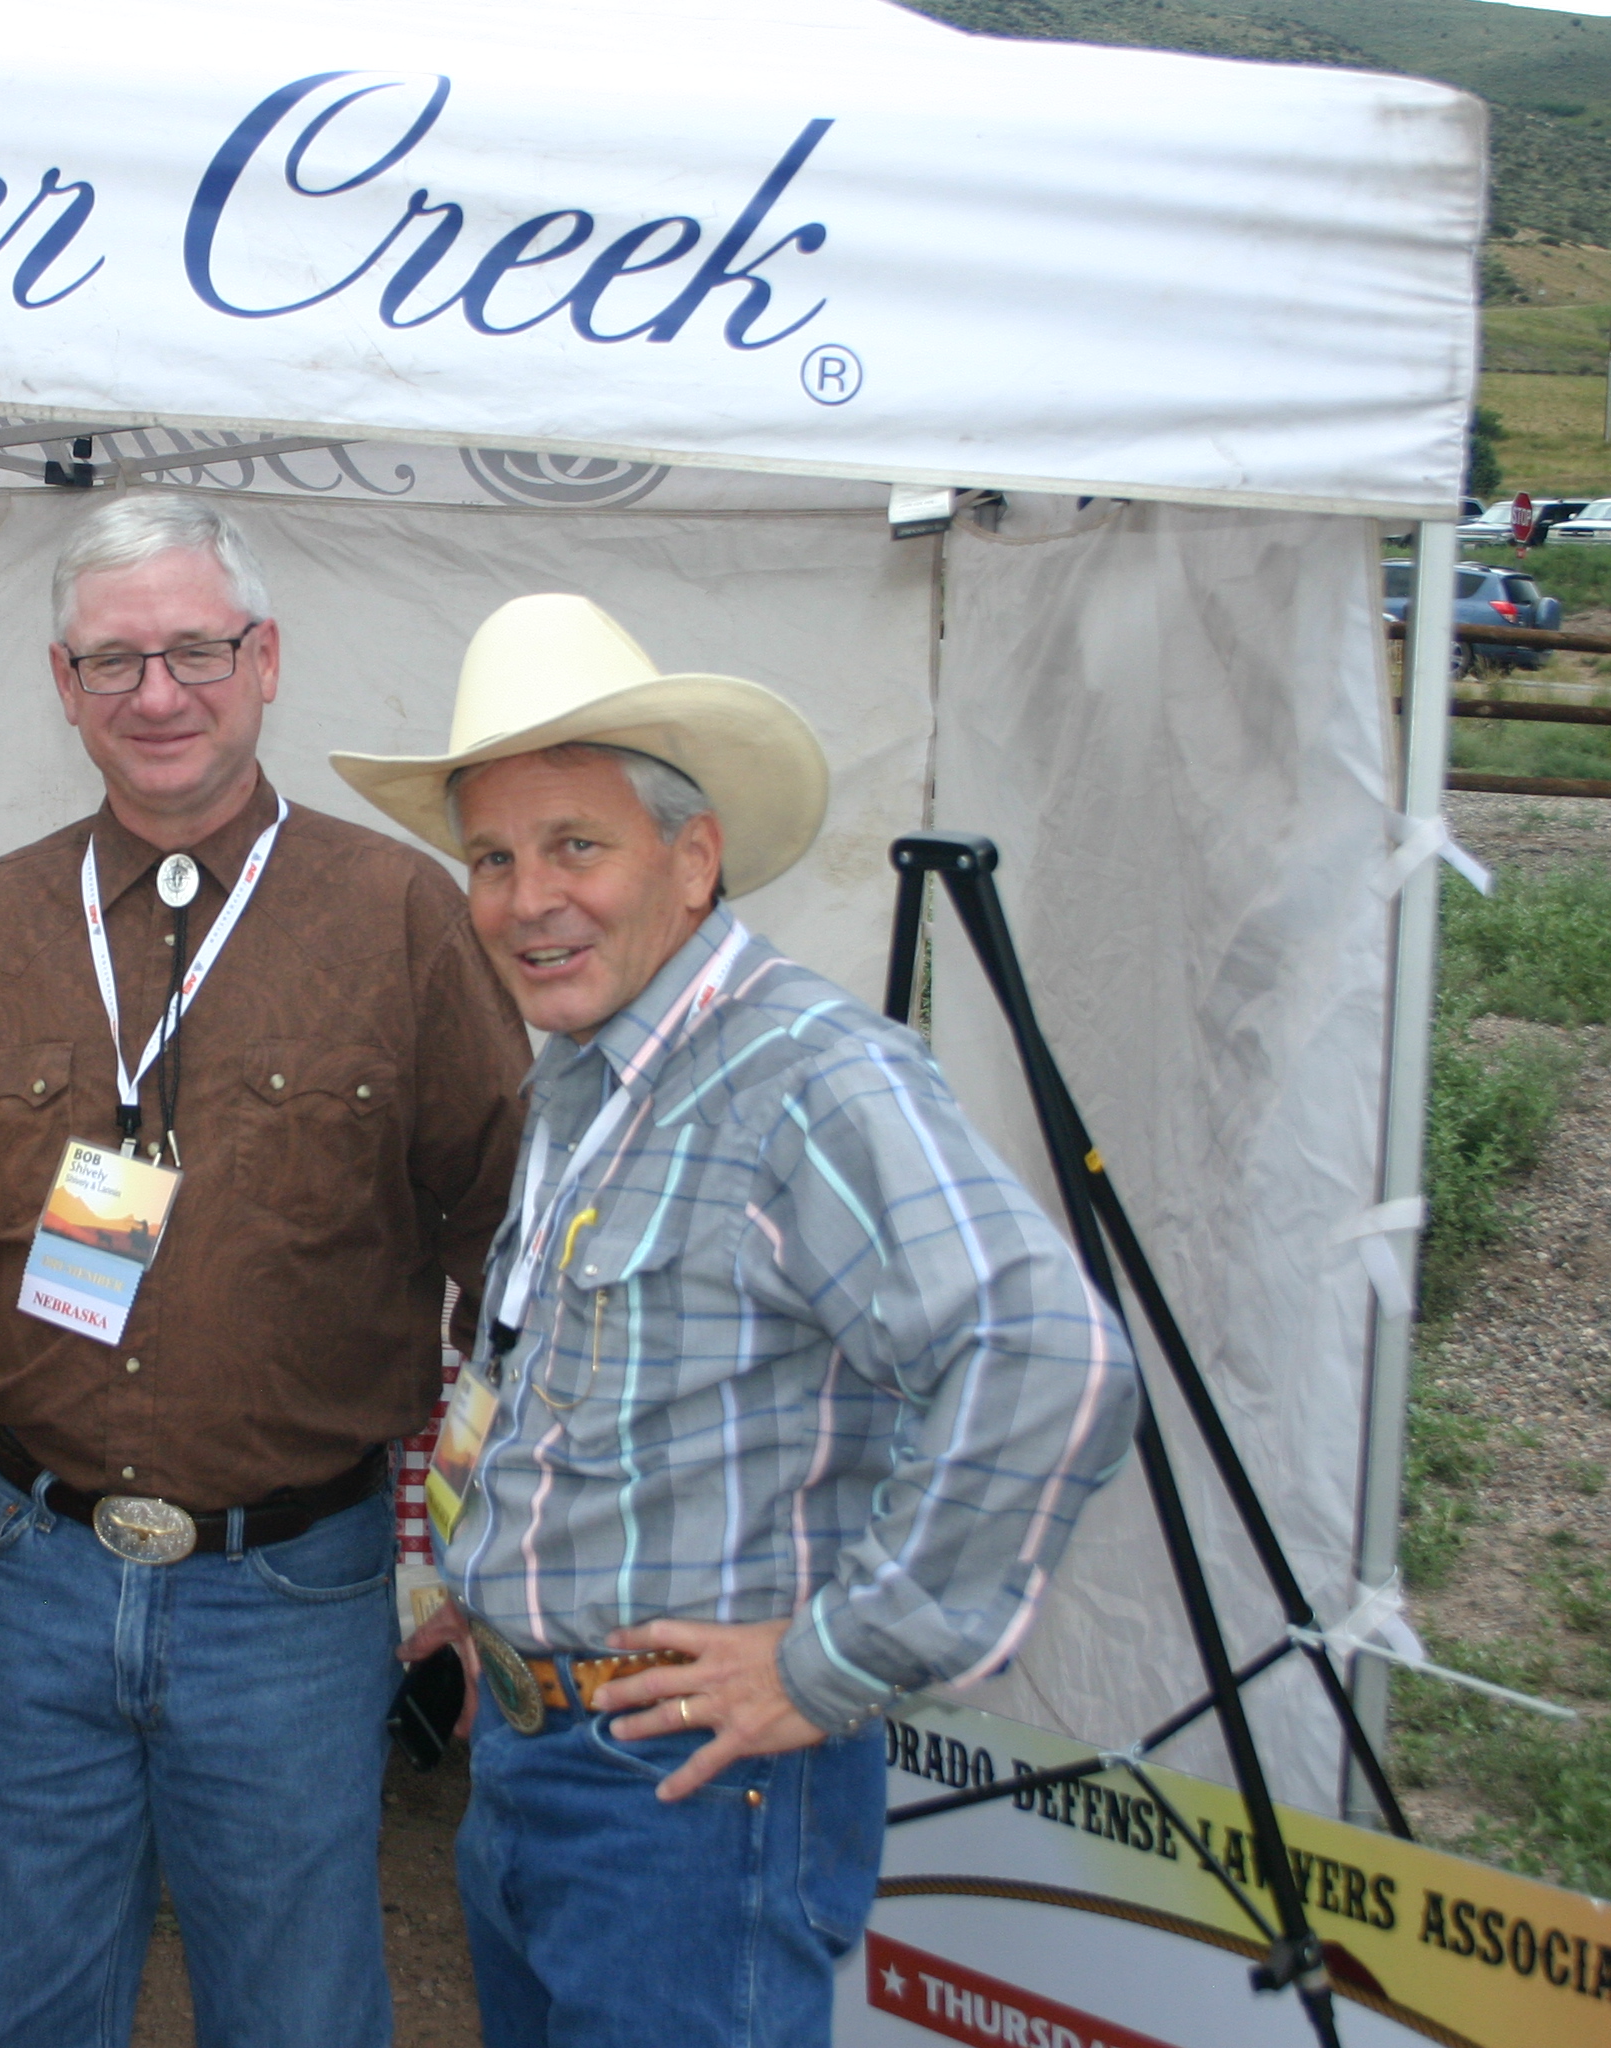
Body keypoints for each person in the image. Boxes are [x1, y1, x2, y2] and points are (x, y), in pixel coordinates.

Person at [329, 595, 1141, 2048]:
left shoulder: (806, 1078)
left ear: (691, 859)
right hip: (545, 1757)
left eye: (577, 845)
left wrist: (832, 1659)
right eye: (493, 859)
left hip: (690, 1796)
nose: (527, 899)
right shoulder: (590, 1075)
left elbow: (1047, 1360)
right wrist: (493, 1570)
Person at [0, 495, 530, 2048]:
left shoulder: (403, 917)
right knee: (14, 2003)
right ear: (62, 681)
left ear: (268, 658)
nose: (157, 695)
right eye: (115, 662)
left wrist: (484, 1573)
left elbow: (507, 1264)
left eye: (195, 651)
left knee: (296, 2009)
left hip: (295, 1586)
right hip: (35, 1573)